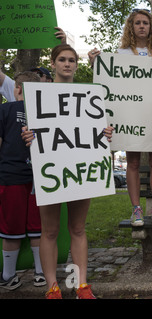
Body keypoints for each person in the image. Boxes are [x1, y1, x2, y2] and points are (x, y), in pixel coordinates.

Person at [22, 44, 114, 299]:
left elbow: (98, 130)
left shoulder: (89, 95)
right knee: (49, 230)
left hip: (80, 169)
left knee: (78, 228)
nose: (67, 64)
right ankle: (52, 287)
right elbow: (33, 131)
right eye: (62, 59)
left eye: (71, 60)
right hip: (52, 169)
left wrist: (106, 132)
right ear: (52, 63)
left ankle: (82, 285)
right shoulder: (40, 95)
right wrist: (28, 135)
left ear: (76, 64)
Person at [89, 9, 152, 227]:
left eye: (146, 22)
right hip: (130, 117)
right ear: (131, 27)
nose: (142, 26)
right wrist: (95, 63)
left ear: (151, 27)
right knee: (133, 161)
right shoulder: (120, 53)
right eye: (138, 23)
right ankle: (136, 209)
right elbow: (110, 83)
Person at [0, 71, 44, 291]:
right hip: (42, 177)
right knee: (37, 227)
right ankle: (40, 273)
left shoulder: (4, 109)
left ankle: (8, 274)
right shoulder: (46, 111)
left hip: (11, 177)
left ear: (17, 88)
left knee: (11, 227)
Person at [0, 27, 66, 102]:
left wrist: (63, 45)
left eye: (38, 74)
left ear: (48, 81)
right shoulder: (18, 91)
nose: (33, 77)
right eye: (29, 74)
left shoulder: (56, 97)